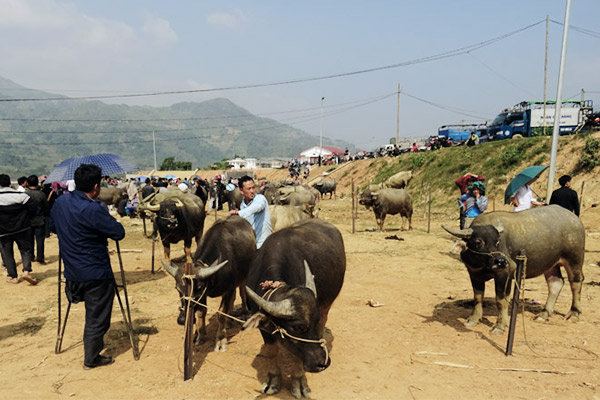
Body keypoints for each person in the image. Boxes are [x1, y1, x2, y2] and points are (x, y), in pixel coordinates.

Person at [49, 164, 125, 370]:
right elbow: (118, 233)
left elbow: (53, 226)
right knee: (97, 317)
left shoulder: (61, 202)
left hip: (71, 272)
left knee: (93, 313)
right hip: (95, 273)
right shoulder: (94, 209)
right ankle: (91, 358)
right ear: (96, 186)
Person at [0, 174, 36, 284]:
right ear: (9, 183)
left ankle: (13, 277)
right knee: (25, 250)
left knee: (7, 253)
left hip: (3, 231)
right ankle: (26, 271)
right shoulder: (20, 194)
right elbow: (32, 207)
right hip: (22, 228)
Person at [229, 175, 272, 248]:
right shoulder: (243, 205)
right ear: (241, 191)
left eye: (253, 187)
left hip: (264, 244)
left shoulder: (260, 198)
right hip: (252, 244)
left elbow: (257, 207)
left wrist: (239, 213)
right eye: (249, 189)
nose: (252, 191)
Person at [25, 175, 49, 264]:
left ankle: (31, 256)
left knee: (29, 240)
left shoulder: (25, 194)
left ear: (27, 183)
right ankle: (40, 258)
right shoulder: (41, 194)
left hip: (28, 221)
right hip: (39, 220)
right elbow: (46, 207)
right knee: (40, 240)